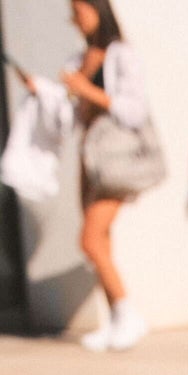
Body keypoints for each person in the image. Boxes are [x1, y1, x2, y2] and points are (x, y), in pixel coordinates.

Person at [57, 0, 152, 351]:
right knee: (102, 240)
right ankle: (116, 321)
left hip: (117, 158)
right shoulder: (79, 58)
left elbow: (134, 109)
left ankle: (129, 314)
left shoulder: (121, 54)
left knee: (90, 240)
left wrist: (87, 89)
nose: (74, 20)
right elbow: (74, 117)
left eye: (78, 10)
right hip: (90, 156)